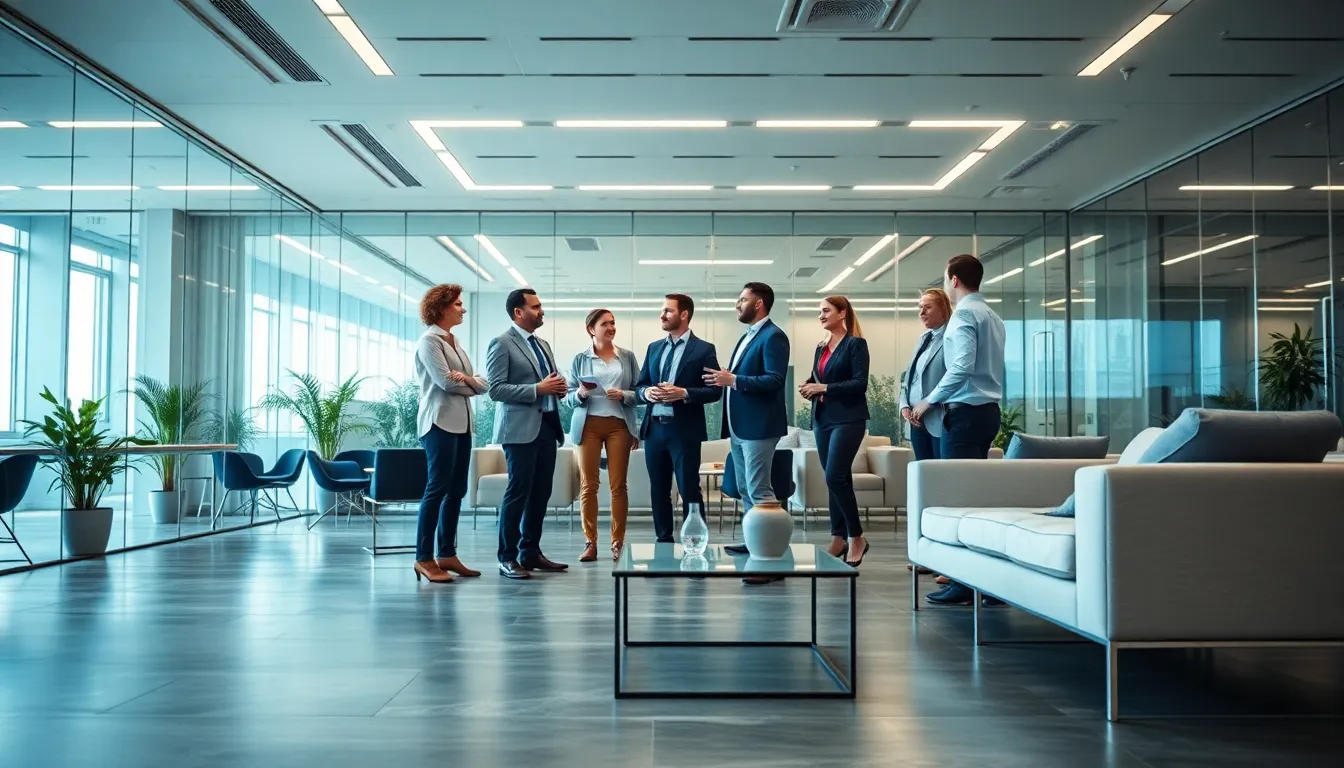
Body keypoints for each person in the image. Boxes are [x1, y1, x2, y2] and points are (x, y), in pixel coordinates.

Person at [911, 255, 1006, 606]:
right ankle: (987, 583)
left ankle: (965, 582)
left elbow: (963, 366)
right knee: (976, 499)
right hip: (987, 412)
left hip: (964, 414)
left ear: (952, 279)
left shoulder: (965, 314)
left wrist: (928, 401)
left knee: (958, 500)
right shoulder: (992, 315)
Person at [705, 283, 790, 584]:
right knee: (745, 489)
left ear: (759, 304)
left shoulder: (774, 336)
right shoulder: (748, 335)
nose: (737, 304)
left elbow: (774, 380)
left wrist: (734, 379)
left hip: (759, 428)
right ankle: (755, 541)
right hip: (741, 428)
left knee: (759, 490)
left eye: (742, 299)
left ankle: (770, 561)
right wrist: (728, 379)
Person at [485, 288, 569, 580]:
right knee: (518, 491)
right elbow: (496, 389)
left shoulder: (542, 344)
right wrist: (538, 389)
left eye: (540, 305)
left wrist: (559, 386)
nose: (541, 310)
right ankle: (507, 557)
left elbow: (550, 380)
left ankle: (530, 552)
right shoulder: (501, 343)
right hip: (519, 430)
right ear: (518, 312)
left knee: (541, 493)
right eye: (535, 307)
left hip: (547, 425)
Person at [412, 284, 486, 584]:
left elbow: (482, 383)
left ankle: (446, 554)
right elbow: (446, 383)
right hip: (439, 424)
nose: (463, 308)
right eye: (457, 304)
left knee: (456, 491)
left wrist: (468, 380)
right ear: (441, 308)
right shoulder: (429, 342)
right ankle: (424, 558)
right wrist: (471, 384)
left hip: (462, 424)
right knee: (436, 489)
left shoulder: (454, 342)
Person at [634, 294, 720, 544]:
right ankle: (663, 542)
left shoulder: (704, 350)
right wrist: (647, 392)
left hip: (684, 431)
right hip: (654, 431)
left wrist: (683, 393)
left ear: (684, 315)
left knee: (688, 489)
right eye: (662, 311)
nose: (662, 315)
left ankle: (696, 542)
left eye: (668, 311)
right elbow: (640, 387)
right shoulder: (654, 348)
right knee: (659, 490)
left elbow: (715, 391)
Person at [564, 309, 640, 562]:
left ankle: (617, 543)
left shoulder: (627, 357)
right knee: (589, 486)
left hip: (619, 424)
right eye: (605, 324)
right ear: (591, 329)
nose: (611, 327)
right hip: (588, 425)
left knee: (618, 486)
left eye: (613, 323)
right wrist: (580, 395)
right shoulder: (580, 359)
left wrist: (624, 395)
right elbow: (568, 396)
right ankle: (590, 543)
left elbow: (638, 392)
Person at [800, 296, 871, 567]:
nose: (821, 315)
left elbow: (859, 383)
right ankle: (838, 537)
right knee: (834, 480)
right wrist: (810, 386)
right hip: (823, 419)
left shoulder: (855, 344)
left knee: (835, 476)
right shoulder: (821, 347)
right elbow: (818, 378)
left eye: (826, 311)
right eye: (819, 311)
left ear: (843, 314)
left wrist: (823, 388)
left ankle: (857, 537)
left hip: (848, 419)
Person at [900, 288, 952, 462]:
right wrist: (904, 405)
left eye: (927, 307)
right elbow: (909, 378)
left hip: (939, 418)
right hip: (916, 420)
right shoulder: (924, 338)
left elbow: (953, 377)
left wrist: (928, 403)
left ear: (943, 308)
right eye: (920, 308)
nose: (921, 313)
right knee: (923, 474)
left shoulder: (951, 337)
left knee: (940, 474)